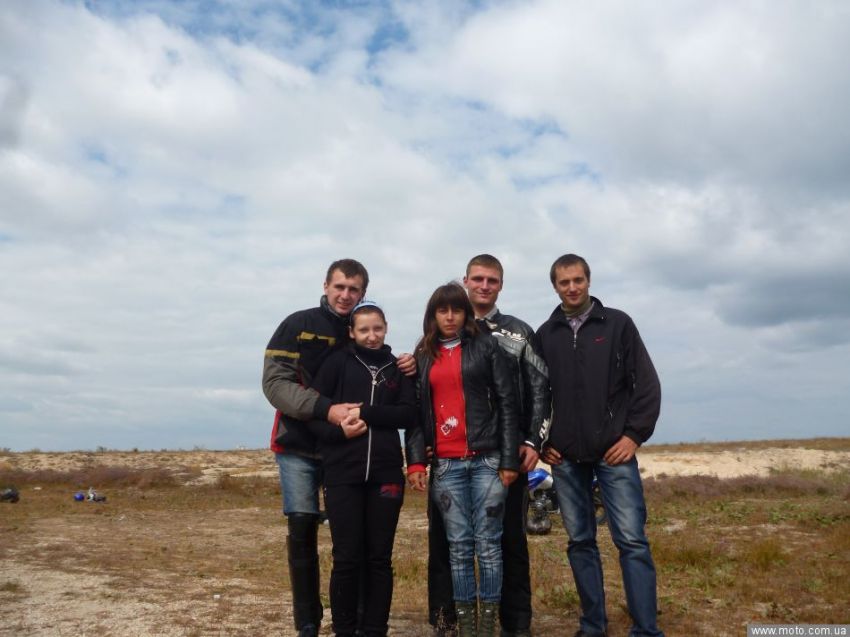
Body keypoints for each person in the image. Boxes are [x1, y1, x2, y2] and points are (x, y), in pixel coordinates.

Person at [262, 259, 414, 637]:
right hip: (300, 442)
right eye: (339, 287)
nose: (345, 295)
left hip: (351, 449)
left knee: (357, 543)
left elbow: (387, 381)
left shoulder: (361, 331)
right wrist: (325, 410)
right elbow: (275, 384)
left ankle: (362, 620)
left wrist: (409, 362)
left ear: (363, 293)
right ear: (326, 286)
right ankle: (308, 620)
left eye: (353, 289)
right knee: (302, 526)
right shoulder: (297, 324)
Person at [536, 254, 664, 637]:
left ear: (589, 280)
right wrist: (543, 442)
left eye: (578, 280)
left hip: (614, 453)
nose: (572, 287)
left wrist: (633, 436)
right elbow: (536, 394)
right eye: (564, 282)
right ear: (555, 286)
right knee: (580, 542)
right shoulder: (546, 334)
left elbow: (646, 384)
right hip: (565, 457)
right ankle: (593, 626)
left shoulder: (618, 324)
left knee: (632, 541)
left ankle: (646, 629)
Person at [427, 255, 551, 637]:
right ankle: (447, 621)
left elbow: (540, 389)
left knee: (509, 540)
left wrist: (532, 441)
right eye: (478, 279)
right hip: (450, 457)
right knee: (446, 542)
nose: (484, 286)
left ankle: (515, 624)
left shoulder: (519, 332)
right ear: (465, 280)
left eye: (492, 280)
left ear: (501, 285)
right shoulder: (441, 335)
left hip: (506, 455)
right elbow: (428, 389)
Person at [407, 282, 520, 637]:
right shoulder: (423, 355)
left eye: (457, 310)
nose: (450, 317)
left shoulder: (486, 346)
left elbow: (507, 403)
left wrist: (509, 460)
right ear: (433, 315)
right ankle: (466, 627)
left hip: (487, 461)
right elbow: (415, 412)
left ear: (466, 313)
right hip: (446, 465)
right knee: (458, 548)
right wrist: (415, 461)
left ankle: (487, 626)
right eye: (443, 310)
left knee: (488, 546)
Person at [306, 300, 417, 637]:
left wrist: (366, 412)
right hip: (342, 474)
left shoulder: (399, 367)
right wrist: (339, 432)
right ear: (352, 332)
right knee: (346, 558)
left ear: (386, 329)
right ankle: (344, 629)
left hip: (386, 475)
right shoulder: (337, 362)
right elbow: (314, 415)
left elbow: (408, 414)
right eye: (364, 330)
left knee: (379, 558)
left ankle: (374, 629)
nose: (372, 336)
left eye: (377, 329)